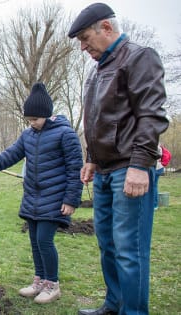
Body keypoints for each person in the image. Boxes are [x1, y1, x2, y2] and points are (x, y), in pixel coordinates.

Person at [68, 3, 169, 315]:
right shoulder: (96, 71)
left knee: (129, 250)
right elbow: (96, 120)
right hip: (104, 172)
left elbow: (150, 116)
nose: (83, 47)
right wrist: (91, 158)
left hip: (130, 169)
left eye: (86, 39)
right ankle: (114, 305)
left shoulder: (140, 57)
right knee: (108, 246)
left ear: (107, 28)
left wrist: (140, 165)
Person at [0, 82, 83, 304]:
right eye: (29, 120)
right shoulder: (28, 135)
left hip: (55, 198)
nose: (32, 124)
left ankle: (53, 285)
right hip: (32, 196)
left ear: (47, 115)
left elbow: (75, 169)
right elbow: (9, 156)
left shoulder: (65, 135)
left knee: (45, 241)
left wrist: (71, 200)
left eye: (35, 120)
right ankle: (39, 280)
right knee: (34, 240)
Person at [154, 144, 171, 210]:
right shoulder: (159, 146)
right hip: (159, 168)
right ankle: (154, 205)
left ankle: (155, 205)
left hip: (157, 168)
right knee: (154, 186)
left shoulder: (157, 146)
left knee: (153, 186)